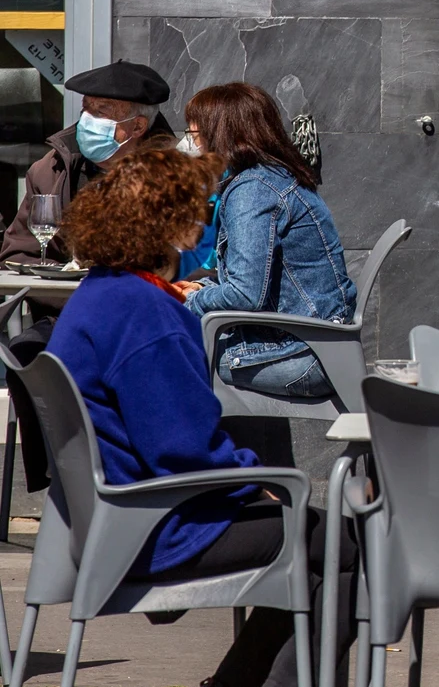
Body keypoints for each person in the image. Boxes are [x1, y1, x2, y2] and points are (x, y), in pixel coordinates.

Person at [45, 146, 352, 687]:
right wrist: (255, 484)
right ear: (168, 222)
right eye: (195, 208)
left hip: (117, 518)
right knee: (347, 543)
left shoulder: (102, 295)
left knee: (314, 534)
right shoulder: (145, 313)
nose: (203, 217)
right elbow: (184, 448)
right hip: (159, 526)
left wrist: (252, 482)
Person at [177, 83, 355, 400]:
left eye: (195, 134)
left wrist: (187, 303)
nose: (191, 144)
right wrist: (202, 289)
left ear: (222, 134)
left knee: (158, 352)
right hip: (311, 345)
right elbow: (254, 277)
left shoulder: (252, 190)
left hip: (297, 354)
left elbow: (246, 295)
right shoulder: (273, 175)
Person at [1, 60, 174, 264]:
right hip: (64, 295)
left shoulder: (177, 177)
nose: (86, 120)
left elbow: (198, 265)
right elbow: (19, 254)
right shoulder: (53, 169)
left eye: (101, 111)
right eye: (85, 109)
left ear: (137, 127)